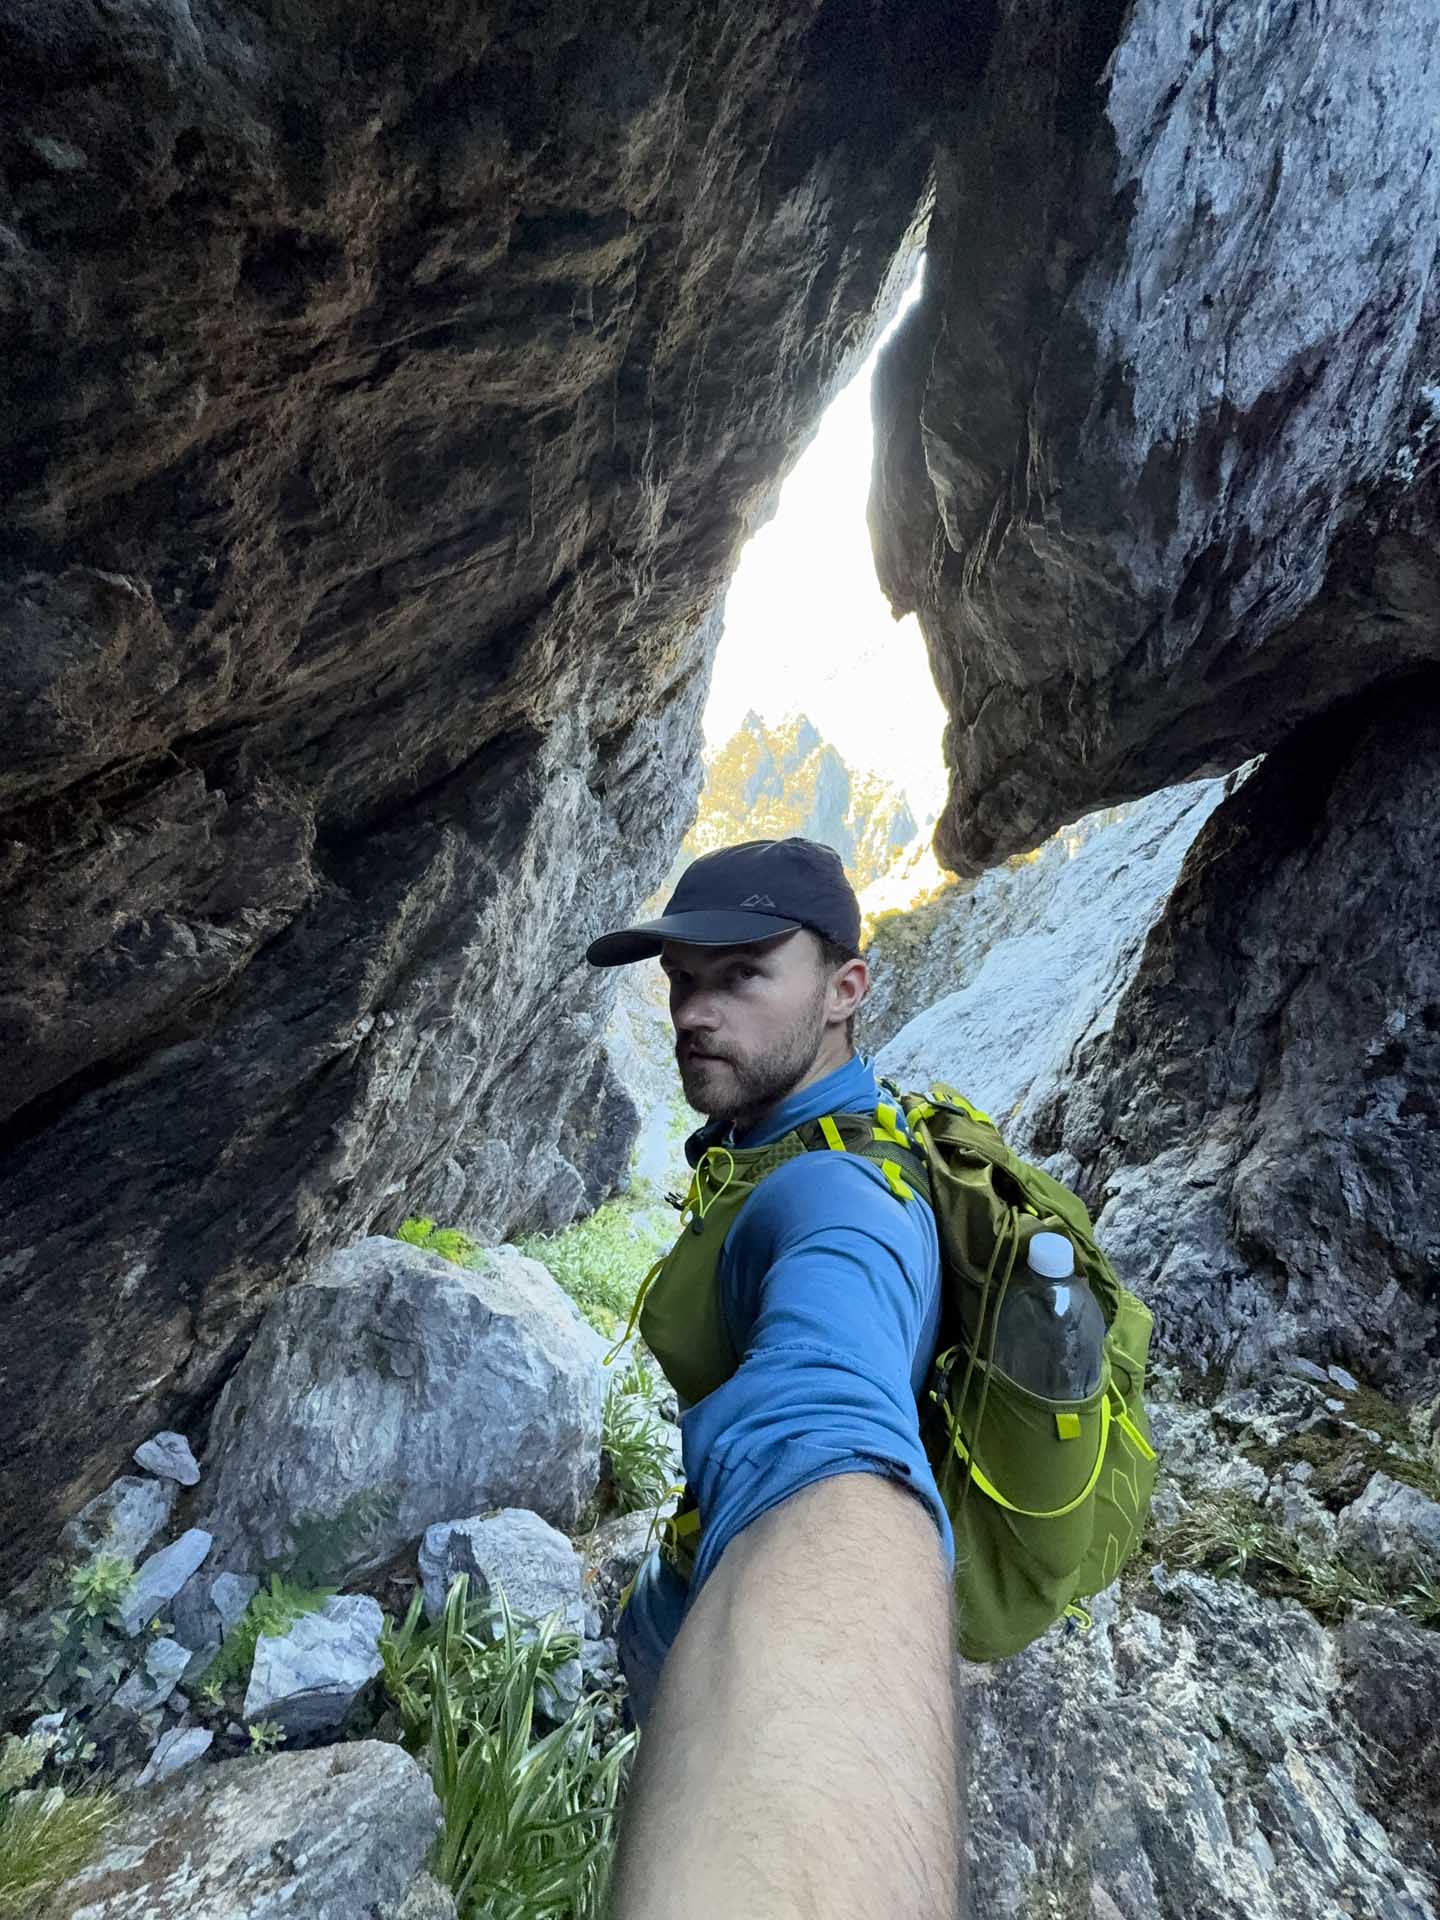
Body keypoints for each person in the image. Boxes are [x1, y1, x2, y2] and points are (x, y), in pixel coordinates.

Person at [586, 837, 963, 1920]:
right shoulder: (777, 1134)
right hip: (691, 1604)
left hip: (719, 1633)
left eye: (743, 974)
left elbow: (828, 1436)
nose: (697, 1013)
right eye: (683, 983)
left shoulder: (840, 1200)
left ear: (847, 989)